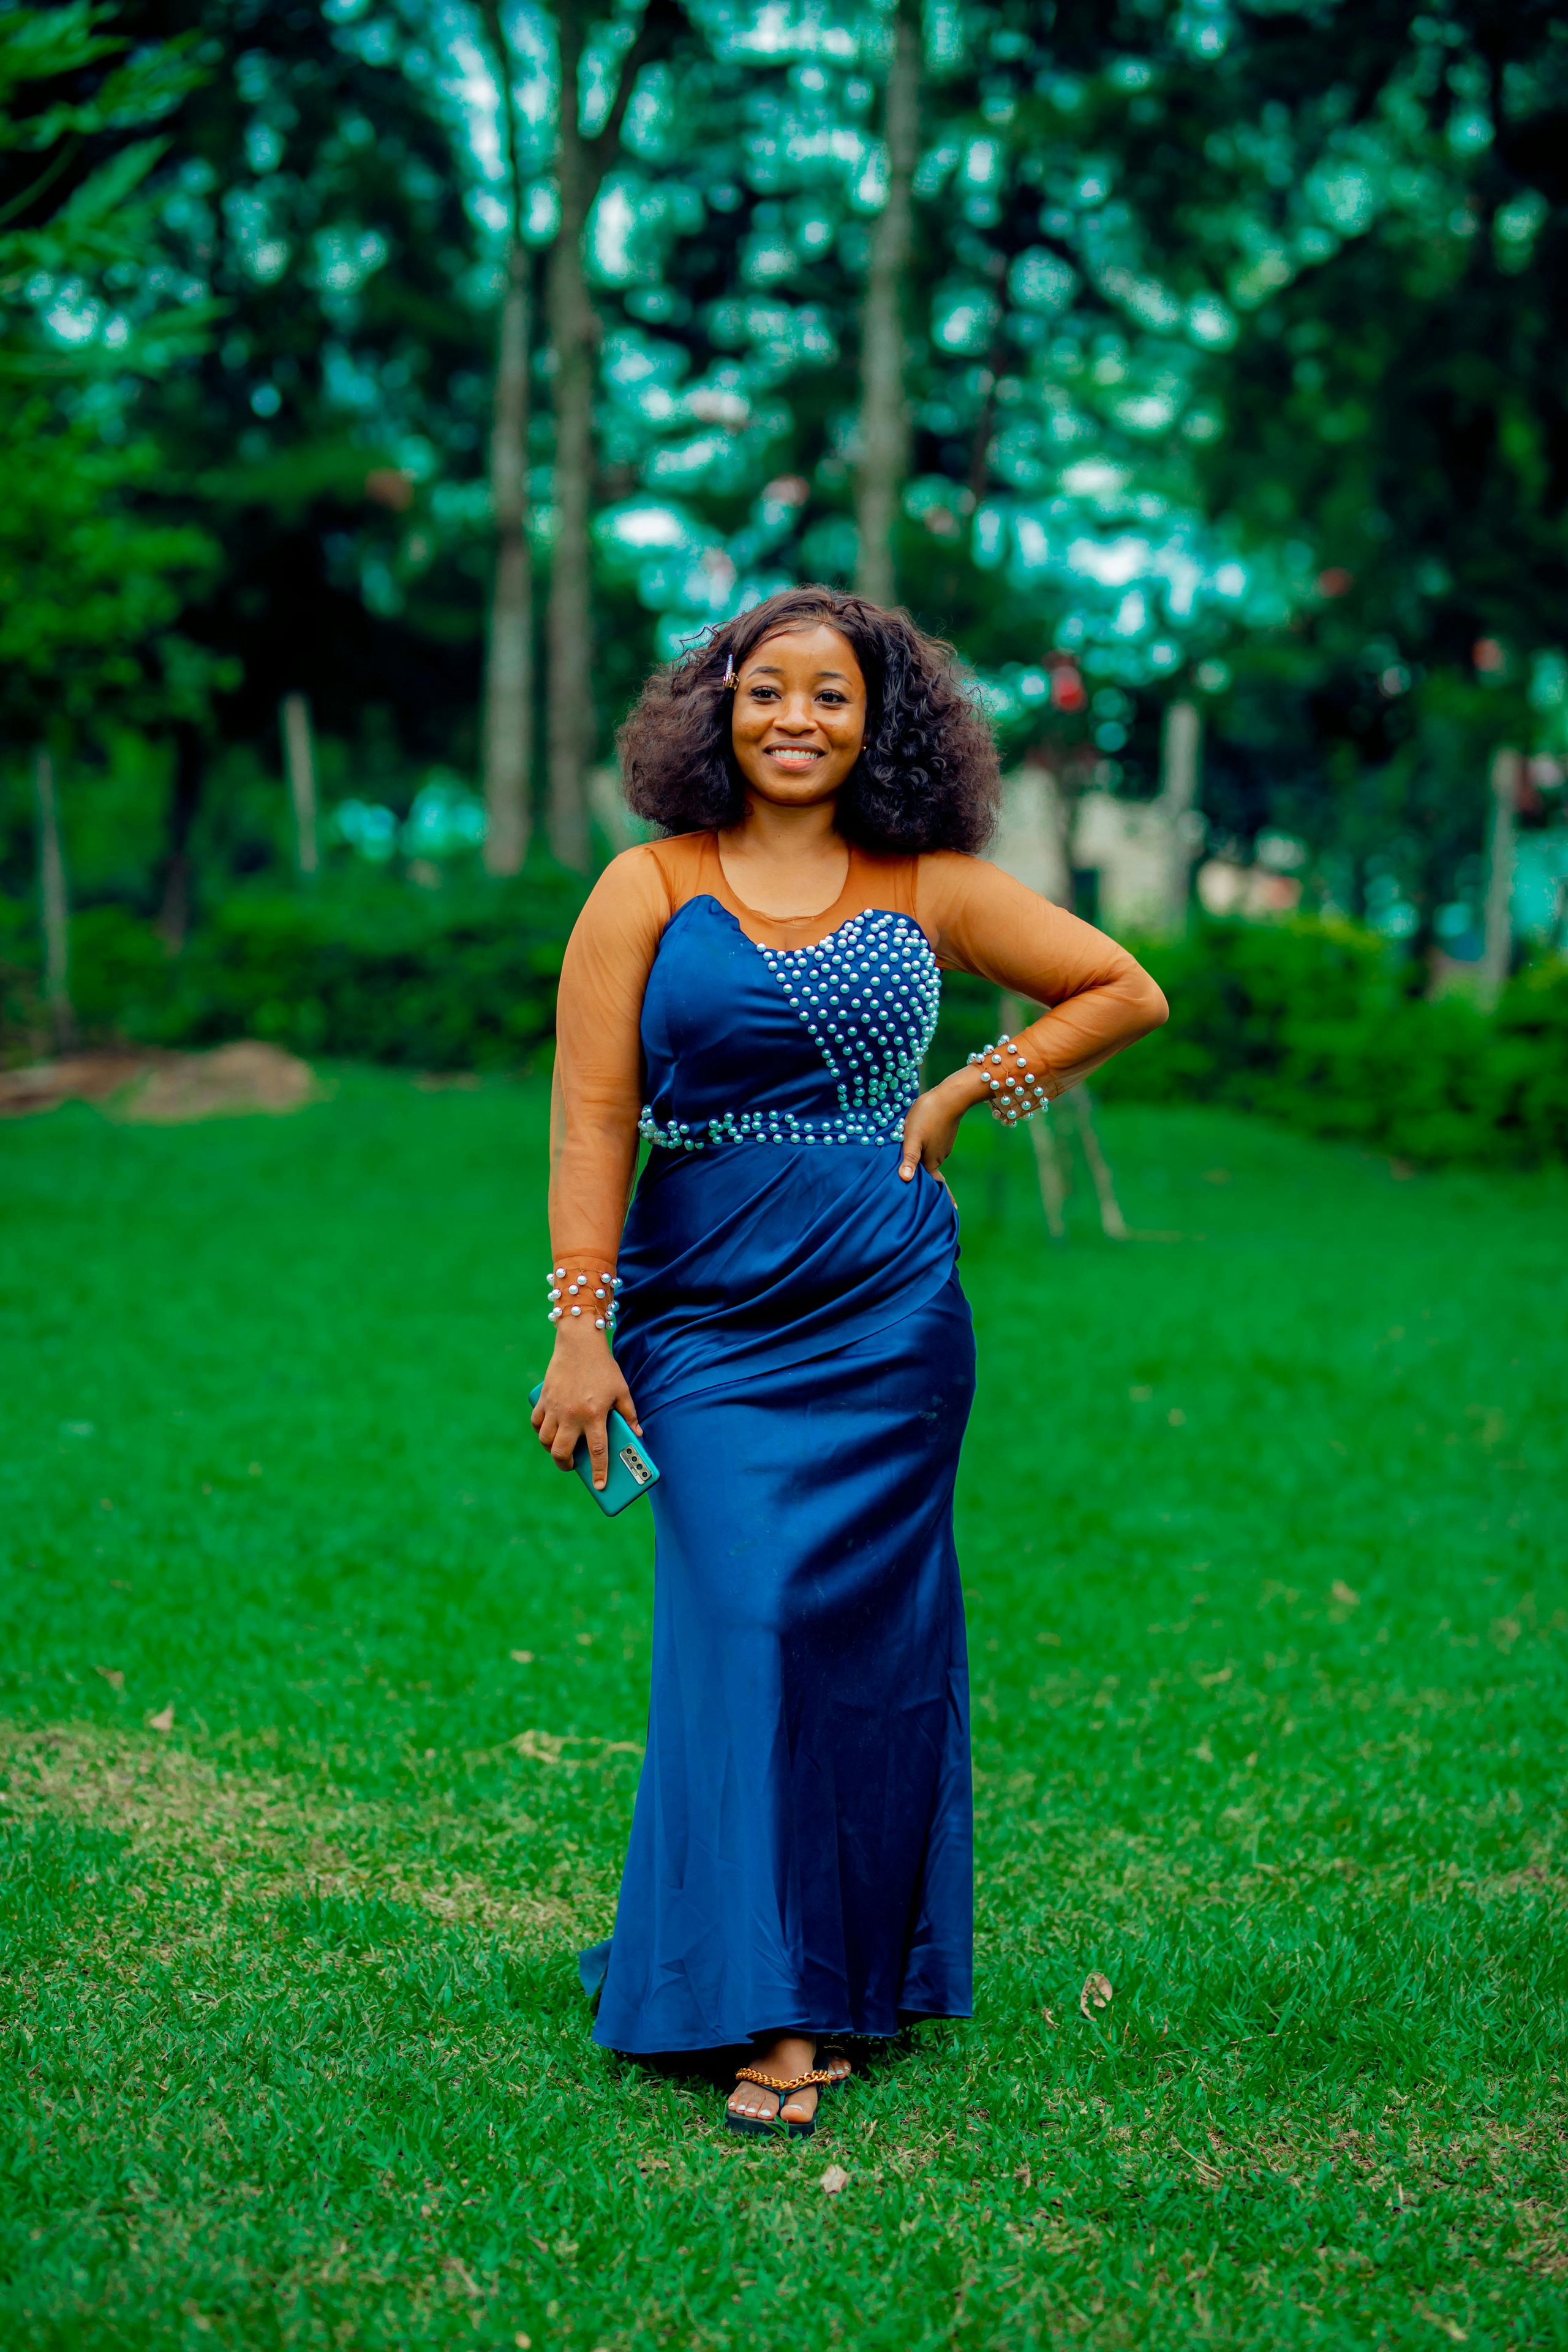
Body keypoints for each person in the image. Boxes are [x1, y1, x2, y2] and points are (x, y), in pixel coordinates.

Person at [532, 587, 1167, 2136]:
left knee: (854, 1644)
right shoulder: (650, 883)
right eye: (766, 690)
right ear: (718, 707)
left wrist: (964, 1092)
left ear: (878, 723)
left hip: (882, 1314)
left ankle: (801, 2001)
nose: (795, 719)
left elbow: (1121, 989)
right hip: (702, 1309)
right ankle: (752, 1966)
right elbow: (592, 1114)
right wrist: (579, 1325)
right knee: (742, 1618)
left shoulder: (931, 882)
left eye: (830, 694)